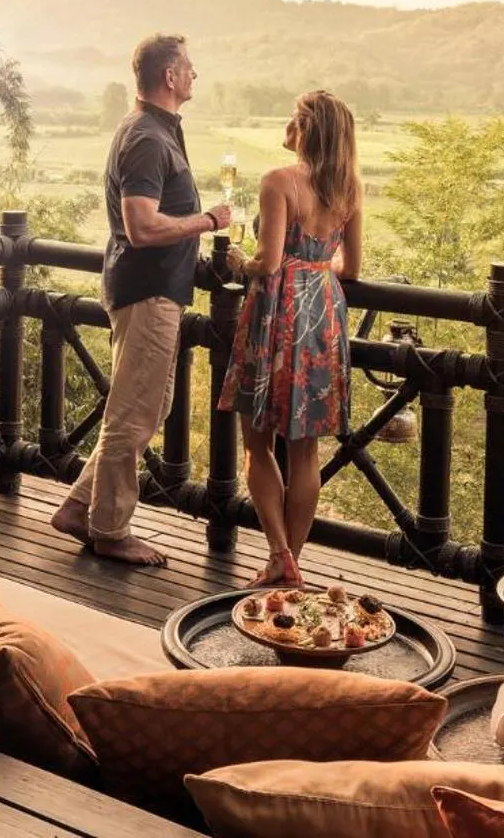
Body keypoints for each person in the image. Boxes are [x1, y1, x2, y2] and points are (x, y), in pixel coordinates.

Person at [52, 34, 229, 568]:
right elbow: (142, 226)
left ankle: (80, 507)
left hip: (156, 290)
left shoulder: (155, 130)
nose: (195, 75)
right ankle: (110, 531)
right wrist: (209, 222)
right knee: (133, 416)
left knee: (147, 407)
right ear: (169, 77)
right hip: (147, 292)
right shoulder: (147, 137)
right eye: (189, 68)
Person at [219, 90, 364, 588]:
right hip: (323, 311)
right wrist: (316, 268)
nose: (287, 123)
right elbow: (353, 267)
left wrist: (240, 262)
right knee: (305, 451)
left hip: (275, 313)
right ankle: (293, 560)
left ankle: (280, 555)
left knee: (257, 443)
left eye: (293, 117)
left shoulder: (278, 182)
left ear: (305, 128)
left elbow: (269, 261)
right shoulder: (349, 190)